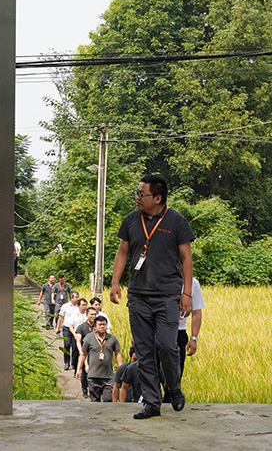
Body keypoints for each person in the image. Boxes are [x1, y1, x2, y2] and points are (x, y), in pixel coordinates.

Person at [110, 174, 195, 419]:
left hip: (167, 296)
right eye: (137, 193)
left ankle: (174, 387)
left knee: (168, 345)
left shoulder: (176, 221)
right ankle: (152, 403)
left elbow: (186, 258)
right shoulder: (131, 220)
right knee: (144, 351)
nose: (137, 198)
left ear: (157, 198)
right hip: (138, 297)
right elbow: (123, 252)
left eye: (142, 194)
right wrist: (115, 283)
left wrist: (186, 293)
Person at [75, 315, 123, 402]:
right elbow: (83, 354)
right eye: (100, 325)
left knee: (108, 399)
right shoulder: (89, 339)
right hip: (93, 376)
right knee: (95, 401)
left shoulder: (112, 339)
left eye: (104, 324)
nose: (102, 326)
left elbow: (118, 353)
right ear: (95, 326)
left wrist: (120, 368)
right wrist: (78, 369)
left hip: (107, 376)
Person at [178, 277, 205, 379]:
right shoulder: (158, 278)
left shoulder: (193, 283)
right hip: (156, 332)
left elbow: (196, 313)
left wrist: (193, 338)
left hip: (179, 333)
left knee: (175, 378)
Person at [74, 307, 98, 398]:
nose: (93, 316)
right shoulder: (81, 327)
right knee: (84, 373)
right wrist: (81, 351)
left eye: (95, 314)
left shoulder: (98, 326)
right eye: (91, 314)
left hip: (95, 353)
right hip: (85, 352)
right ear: (87, 315)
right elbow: (78, 340)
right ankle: (84, 389)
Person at [54, 297, 83, 370]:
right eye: (76, 297)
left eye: (78, 297)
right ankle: (66, 362)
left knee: (75, 347)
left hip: (76, 329)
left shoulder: (79, 307)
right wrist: (57, 327)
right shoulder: (65, 306)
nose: (77, 298)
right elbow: (61, 317)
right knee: (66, 345)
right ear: (71, 298)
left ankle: (74, 362)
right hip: (67, 328)